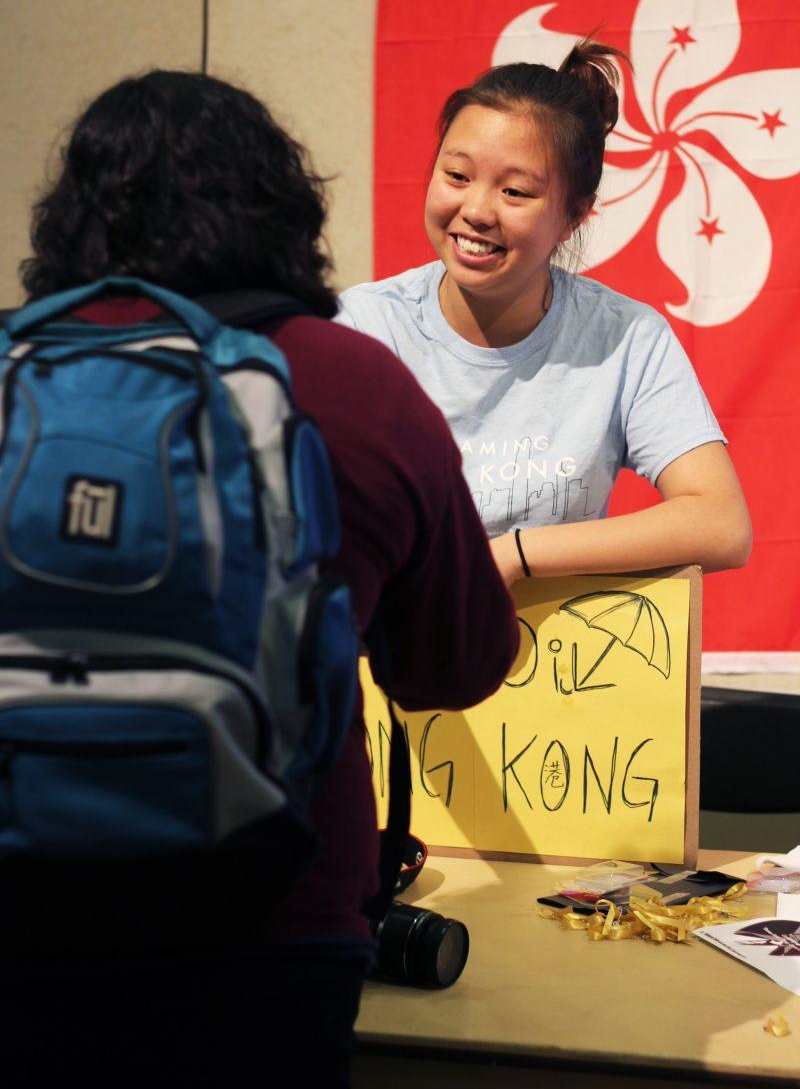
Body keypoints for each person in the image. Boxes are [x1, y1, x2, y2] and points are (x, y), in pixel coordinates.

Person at [3, 71, 519, 1087]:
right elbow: (450, 667)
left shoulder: (13, 375)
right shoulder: (351, 381)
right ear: (282, 208)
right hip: (269, 926)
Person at [337, 40, 752, 584]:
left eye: (515, 191)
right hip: (394, 653)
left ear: (573, 216)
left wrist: (512, 554)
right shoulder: (364, 328)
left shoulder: (626, 338)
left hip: (567, 660)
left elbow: (722, 525)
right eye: (456, 176)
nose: (476, 211)